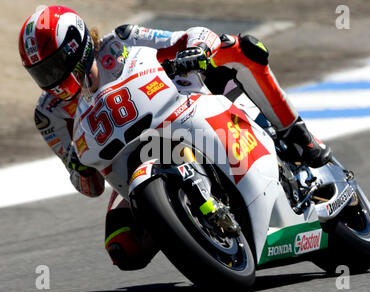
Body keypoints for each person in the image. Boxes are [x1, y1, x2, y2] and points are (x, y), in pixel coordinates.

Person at [18, 6, 331, 271]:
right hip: (130, 164)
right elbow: (92, 188)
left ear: (79, 48)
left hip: (178, 113)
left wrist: (195, 49)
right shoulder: (49, 115)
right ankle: (193, 231)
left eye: (55, 66)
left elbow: (190, 37)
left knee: (239, 47)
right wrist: (77, 167)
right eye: (42, 74)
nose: (53, 80)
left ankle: (295, 130)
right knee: (123, 247)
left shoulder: (121, 41)